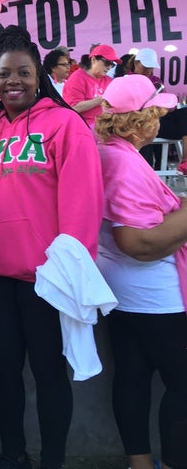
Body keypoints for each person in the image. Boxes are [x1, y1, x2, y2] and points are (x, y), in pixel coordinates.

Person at [0, 26, 104, 469]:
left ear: (39, 77)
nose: (14, 81)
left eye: (23, 73)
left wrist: (69, 274)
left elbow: (83, 204)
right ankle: (13, 455)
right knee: (2, 375)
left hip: (45, 281)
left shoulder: (66, 124)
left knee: (49, 376)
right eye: (5, 74)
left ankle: (53, 461)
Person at [95, 74, 187, 469]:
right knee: (182, 385)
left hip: (123, 291)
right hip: (154, 295)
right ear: (142, 118)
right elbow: (139, 242)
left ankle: (141, 464)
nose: (163, 117)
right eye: (158, 111)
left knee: (132, 376)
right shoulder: (121, 162)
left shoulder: (109, 152)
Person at [131, 47, 187, 174]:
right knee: (143, 125)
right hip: (138, 122)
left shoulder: (156, 80)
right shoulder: (127, 79)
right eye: (146, 66)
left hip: (158, 118)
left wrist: (167, 105)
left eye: (151, 67)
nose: (149, 70)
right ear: (136, 63)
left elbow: (167, 104)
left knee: (185, 113)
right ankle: (146, 175)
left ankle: (185, 161)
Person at [63, 44, 121, 129]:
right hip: (83, 128)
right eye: (107, 63)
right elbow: (74, 108)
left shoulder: (109, 81)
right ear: (93, 60)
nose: (109, 67)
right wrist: (102, 99)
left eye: (112, 64)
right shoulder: (77, 78)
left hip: (105, 128)